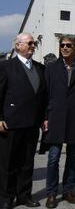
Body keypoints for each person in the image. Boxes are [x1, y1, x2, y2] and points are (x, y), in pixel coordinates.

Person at [43, 35, 75, 208]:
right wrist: (45, 117)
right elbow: (45, 95)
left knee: (72, 157)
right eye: (62, 45)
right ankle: (51, 193)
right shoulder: (50, 68)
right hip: (55, 118)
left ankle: (68, 190)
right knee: (53, 157)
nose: (64, 48)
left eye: (68, 45)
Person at [0, 33, 47, 209]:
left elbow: (43, 97)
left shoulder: (40, 68)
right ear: (18, 46)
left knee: (27, 163)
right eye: (29, 43)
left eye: (34, 43)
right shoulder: (6, 67)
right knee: (8, 163)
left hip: (32, 124)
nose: (33, 45)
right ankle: (5, 197)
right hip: (11, 124)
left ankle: (24, 196)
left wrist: (44, 118)